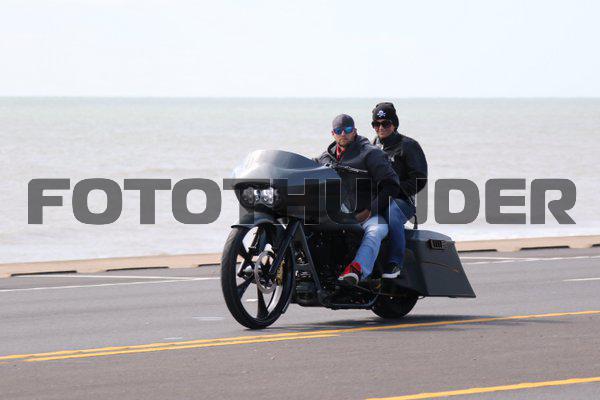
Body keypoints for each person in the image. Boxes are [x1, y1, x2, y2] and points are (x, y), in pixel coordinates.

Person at [314, 114, 400, 285]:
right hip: (335, 215)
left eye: (347, 130)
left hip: (366, 213)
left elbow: (392, 185)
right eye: (339, 130)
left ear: (354, 131)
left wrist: (370, 211)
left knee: (376, 230)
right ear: (333, 133)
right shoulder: (325, 157)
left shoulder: (371, 154)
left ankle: (356, 269)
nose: (343, 134)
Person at [371, 102, 428, 278]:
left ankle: (395, 263)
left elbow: (419, 179)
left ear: (394, 124)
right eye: (376, 124)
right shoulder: (373, 146)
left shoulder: (409, 145)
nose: (381, 128)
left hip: (401, 201)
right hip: (378, 198)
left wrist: (394, 191)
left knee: (392, 212)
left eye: (385, 123)